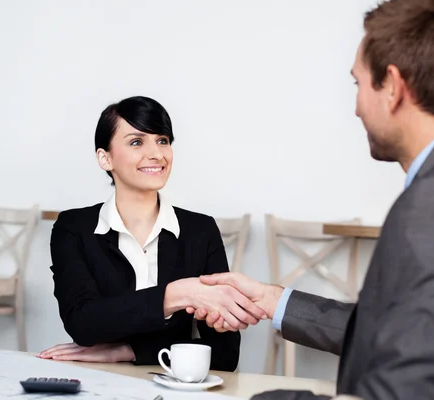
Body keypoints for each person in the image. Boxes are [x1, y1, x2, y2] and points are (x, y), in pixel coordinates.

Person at [190, 0, 434, 398]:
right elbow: (407, 333)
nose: (356, 108)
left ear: (391, 86)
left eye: (358, 83)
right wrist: (274, 300)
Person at [38, 96, 266, 371]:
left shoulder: (200, 230)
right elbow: (84, 325)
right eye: (136, 142)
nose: (157, 154)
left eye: (163, 140)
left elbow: (224, 353)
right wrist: (177, 294)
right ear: (105, 158)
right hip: (98, 380)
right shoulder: (74, 228)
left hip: (170, 383)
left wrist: (129, 350)